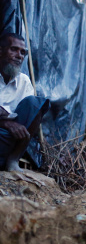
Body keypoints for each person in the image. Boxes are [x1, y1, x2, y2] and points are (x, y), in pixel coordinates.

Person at [0, 33, 50, 172]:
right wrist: (6, 123)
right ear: (1, 51)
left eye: (23, 52)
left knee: (36, 103)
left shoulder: (24, 81)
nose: (19, 55)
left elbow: (30, 113)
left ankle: (13, 160)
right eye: (14, 49)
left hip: (9, 140)